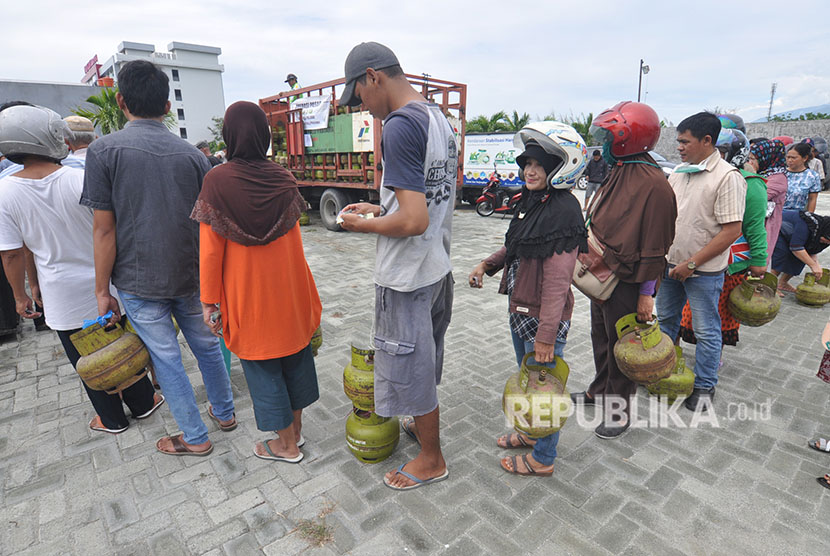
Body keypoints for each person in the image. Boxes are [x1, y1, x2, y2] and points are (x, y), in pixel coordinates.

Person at [81, 60, 235, 457]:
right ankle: (226, 413)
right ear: (168, 107)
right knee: (207, 346)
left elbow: (104, 230)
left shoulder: (102, 152)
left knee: (166, 358)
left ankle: (195, 438)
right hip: (192, 274)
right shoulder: (194, 156)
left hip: (138, 279)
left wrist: (102, 290)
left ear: (120, 101)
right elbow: (208, 225)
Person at [0, 104, 163, 433]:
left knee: (86, 359)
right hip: (107, 285)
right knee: (122, 345)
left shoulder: (5, 192)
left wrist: (23, 294)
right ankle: (145, 403)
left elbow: (13, 254)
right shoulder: (81, 177)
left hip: (60, 293)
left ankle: (112, 418)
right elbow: (113, 231)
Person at [338, 41, 455, 490]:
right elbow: (423, 197)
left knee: (410, 367)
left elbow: (412, 219)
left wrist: (361, 227)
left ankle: (431, 459)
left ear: (374, 76)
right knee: (423, 360)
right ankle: (421, 430)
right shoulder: (436, 117)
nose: (363, 108)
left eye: (359, 97)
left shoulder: (400, 127)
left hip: (406, 276)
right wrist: (379, 205)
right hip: (435, 267)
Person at [193, 101, 322, 464]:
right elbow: (295, 241)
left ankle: (286, 446)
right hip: (291, 290)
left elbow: (210, 253)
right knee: (296, 358)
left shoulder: (216, 181)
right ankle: (295, 432)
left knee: (264, 367)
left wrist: (209, 301)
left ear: (229, 136)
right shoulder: (282, 177)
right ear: (264, 135)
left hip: (247, 294)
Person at [469, 122, 586, 473]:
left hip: (543, 319)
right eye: (527, 164)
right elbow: (516, 245)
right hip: (520, 310)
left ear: (557, 169)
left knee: (545, 387)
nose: (530, 171)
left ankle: (544, 459)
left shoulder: (563, 209)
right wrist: (486, 265)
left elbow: (558, 281)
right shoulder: (533, 201)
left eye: (539, 165)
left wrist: (546, 336)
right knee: (527, 379)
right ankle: (530, 434)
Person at [572, 101, 676, 437]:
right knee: (600, 339)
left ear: (626, 139)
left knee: (624, 348)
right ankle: (598, 390)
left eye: (607, 137)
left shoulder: (654, 184)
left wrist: (647, 295)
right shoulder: (620, 172)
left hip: (630, 282)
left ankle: (619, 413)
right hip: (604, 276)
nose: (601, 144)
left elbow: (657, 246)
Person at [655, 112, 745, 411]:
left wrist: (691, 265)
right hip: (669, 265)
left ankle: (705, 385)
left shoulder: (727, 177)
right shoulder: (680, 171)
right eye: (678, 141)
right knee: (666, 322)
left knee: (707, 330)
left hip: (702, 271)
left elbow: (732, 230)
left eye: (685, 141)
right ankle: (665, 373)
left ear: (707, 141)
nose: (679, 147)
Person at [678, 128, 767, 349]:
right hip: (694, 258)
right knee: (687, 311)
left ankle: (711, 359)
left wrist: (759, 261)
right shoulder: (692, 173)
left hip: (729, 262)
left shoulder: (750, 183)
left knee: (717, 315)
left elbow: (754, 227)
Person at [747, 139, 788, 265]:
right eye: (749, 158)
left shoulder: (778, 178)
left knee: (758, 256)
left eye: (753, 159)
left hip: (766, 223)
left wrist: (750, 174)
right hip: (756, 220)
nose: (750, 162)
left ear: (767, 158)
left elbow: (752, 195)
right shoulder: (764, 174)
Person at [770, 210, 830, 293]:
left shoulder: (825, 236)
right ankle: (769, 285)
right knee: (783, 254)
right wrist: (813, 265)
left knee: (803, 257)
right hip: (780, 229)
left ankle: (783, 283)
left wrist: (816, 265)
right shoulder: (806, 224)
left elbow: (811, 251)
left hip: (795, 237)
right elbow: (796, 248)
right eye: (826, 240)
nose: (827, 242)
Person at [783, 143, 821, 212]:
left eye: (794, 158)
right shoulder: (781, 173)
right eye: (788, 157)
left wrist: (809, 216)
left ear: (805, 158)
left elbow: (812, 199)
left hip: (799, 215)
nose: (790, 160)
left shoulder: (812, 176)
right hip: (779, 214)